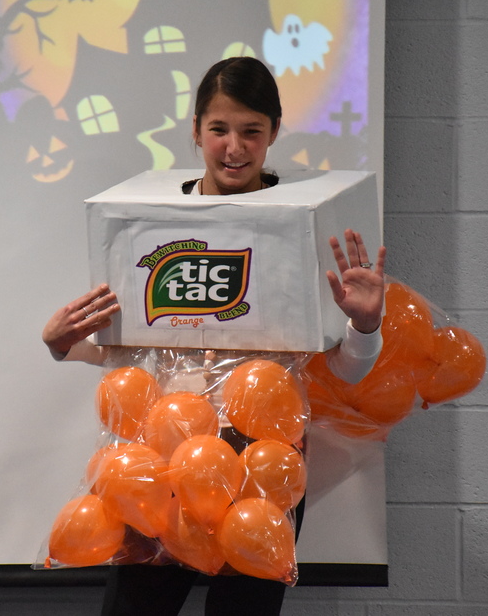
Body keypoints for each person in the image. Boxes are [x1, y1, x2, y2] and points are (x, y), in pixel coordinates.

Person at [42, 57, 386, 616]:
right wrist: (62, 343)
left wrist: (364, 326)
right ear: (196, 129)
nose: (234, 147)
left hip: (262, 458)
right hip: (161, 452)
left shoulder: (304, 227)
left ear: (274, 132)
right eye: (219, 129)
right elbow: (127, 344)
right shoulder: (150, 222)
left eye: (252, 131)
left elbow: (344, 371)